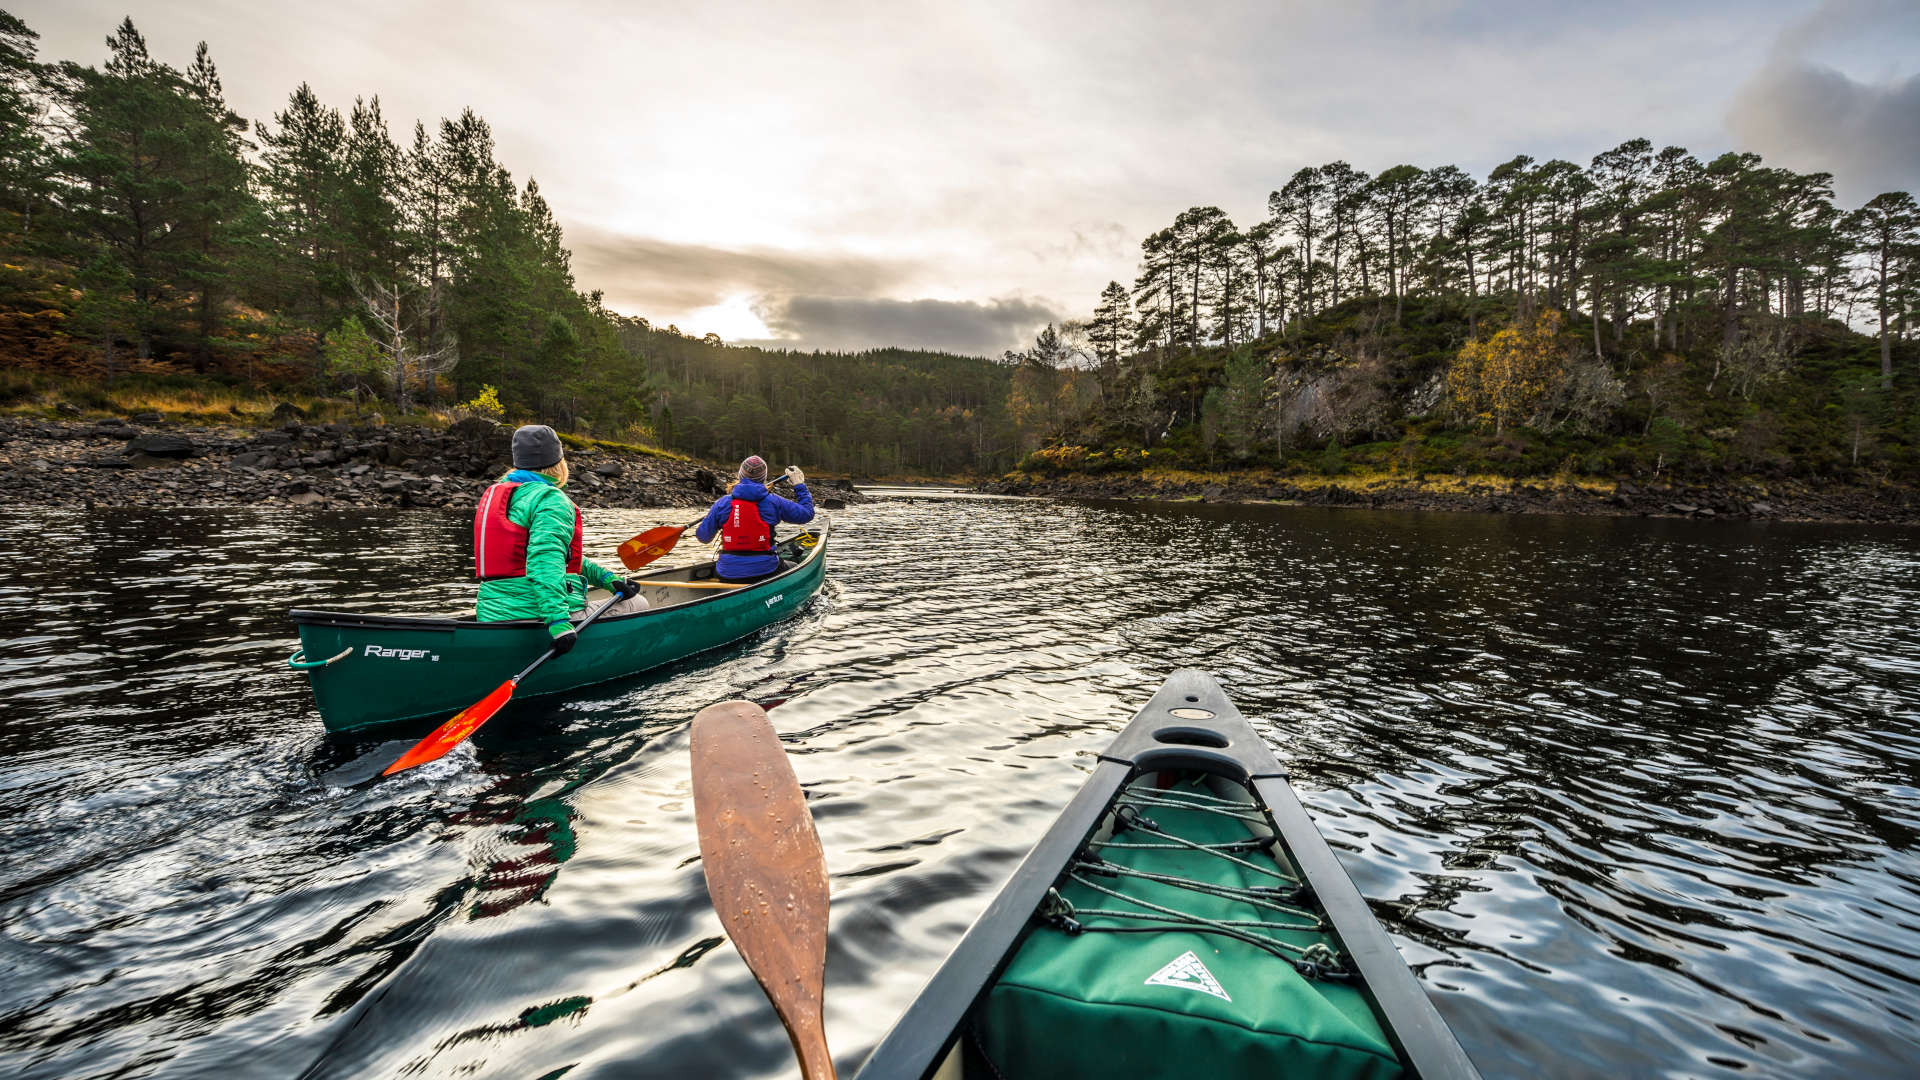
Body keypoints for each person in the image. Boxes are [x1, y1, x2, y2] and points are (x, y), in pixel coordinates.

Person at [474, 424, 647, 653]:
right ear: (558, 463)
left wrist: (608, 580)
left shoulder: (503, 494)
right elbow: (545, 562)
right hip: (534, 615)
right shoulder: (551, 499)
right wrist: (558, 623)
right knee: (639, 604)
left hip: (492, 614)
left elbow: (558, 556)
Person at [695, 455, 814, 583]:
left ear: (741, 475)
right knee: (795, 567)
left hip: (727, 573)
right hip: (766, 570)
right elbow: (807, 513)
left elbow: (703, 537)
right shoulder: (774, 501)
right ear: (763, 478)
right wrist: (799, 485)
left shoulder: (722, 503)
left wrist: (712, 517)